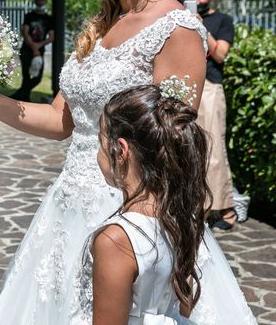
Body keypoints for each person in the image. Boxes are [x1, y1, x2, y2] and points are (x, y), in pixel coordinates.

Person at [0, 0, 251, 323]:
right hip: (66, 206)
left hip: (127, 216)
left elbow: (173, 150)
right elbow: (62, 121)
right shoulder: (101, 24)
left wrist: (147, 244)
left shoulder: (177, 28)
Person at [70, 84, 254, 324]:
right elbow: (183, 307)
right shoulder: (180, 217)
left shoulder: (116, 240)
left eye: (101, 141)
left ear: (121, 150)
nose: (98, 152)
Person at [188, 0, 237, 230]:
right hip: (190, 86)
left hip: (211, 86)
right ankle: (201, 207)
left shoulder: (222, 21)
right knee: (195, 149)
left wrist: (202, 28)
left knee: (215, 148)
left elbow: (220, 54)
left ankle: (226, 209)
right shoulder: (184, 17)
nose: (197, 2)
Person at [10, 0, 54, 101]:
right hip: (26, 51)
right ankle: (25, 99)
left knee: (37, 78)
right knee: (26, 77)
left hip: (39, 52)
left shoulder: (48, 19)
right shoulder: (29, 16)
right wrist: (34, 47)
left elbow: (51, 37)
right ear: (35, 1)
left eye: (42, 0)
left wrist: (38, 47)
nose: (40, 2)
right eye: (38, 0)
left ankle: (19, 94)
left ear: (45, 1)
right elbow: (25, 32)